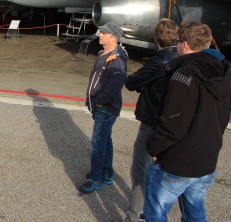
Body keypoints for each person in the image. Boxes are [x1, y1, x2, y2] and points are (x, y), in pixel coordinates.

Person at [144, 22, 231, 222]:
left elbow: (174, 123)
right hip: (206, 161)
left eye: (177, 43)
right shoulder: (223, 71)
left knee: (156, 213)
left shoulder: (185, 73)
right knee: (195, 214)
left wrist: (153, 147)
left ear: (184, 44)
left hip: (178, 163)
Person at [124, 19, 178, 222]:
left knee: (140, 170)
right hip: (173, 124)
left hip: (152, 123)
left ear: (156, 39)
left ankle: (135, 215)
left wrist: (144, 85)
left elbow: (131, 82)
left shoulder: (159, 61)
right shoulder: (183, 59)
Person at [80, 21, 128, 194]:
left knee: (98, 143)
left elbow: (116, 85)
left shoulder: (116, 59)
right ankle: (106, 173)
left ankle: (95, 179)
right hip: (102, 106)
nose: (100, 35)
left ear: (114, 38)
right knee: (106, 140)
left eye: (104, 33)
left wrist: (100, 100)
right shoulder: (105, 53)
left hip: (106, 108)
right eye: (100, 32)